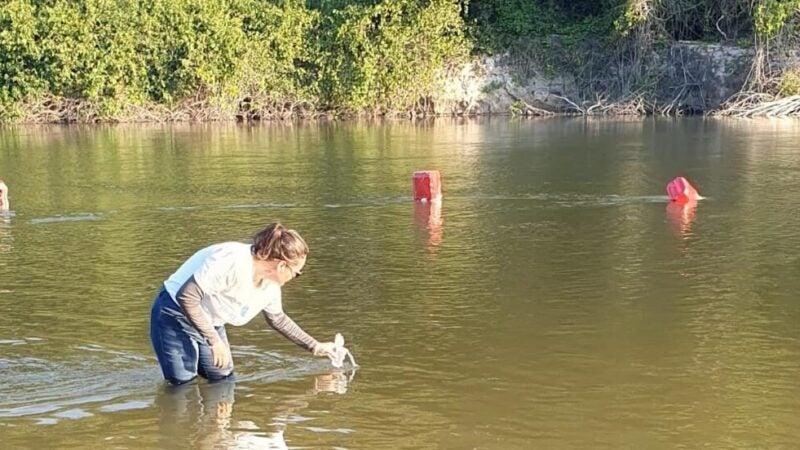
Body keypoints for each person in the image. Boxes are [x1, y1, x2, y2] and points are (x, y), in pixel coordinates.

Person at [149, 222, 336, 385]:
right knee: (183, 383)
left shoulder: (270, 285)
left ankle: (218, 424)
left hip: (211, 319)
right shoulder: (231, 261)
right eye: (296, 273)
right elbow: (187, 296)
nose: (295, 278)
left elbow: (278, 319)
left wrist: (314, 346)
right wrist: (214, 341)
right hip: (174, 312)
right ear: (281, 266)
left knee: (222, 377)